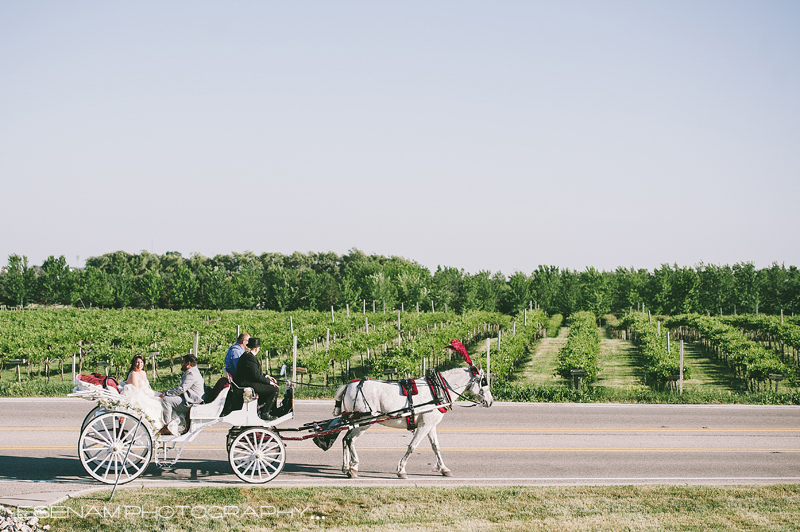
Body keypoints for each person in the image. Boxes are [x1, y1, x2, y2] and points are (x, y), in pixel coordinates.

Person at [234, 337, 292, 419]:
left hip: (248, 381)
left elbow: (255, 372)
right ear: (257, 348)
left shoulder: (248, 356)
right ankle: (265, 413)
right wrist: (269, 382)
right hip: (247, 383)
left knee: (271, 387)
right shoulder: (249, 358)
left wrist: (266, 376)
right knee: (274, 389)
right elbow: (256, 376)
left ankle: (271, 410)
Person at [159, 354, 205, 435]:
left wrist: (167, 393)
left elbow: (181, 389)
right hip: (190, 397)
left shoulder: (191, 373)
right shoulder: (194, 371)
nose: (181, 364)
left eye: (182, 362)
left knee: (166, 400)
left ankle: (168, 427)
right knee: (170, 398)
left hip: (191, 402)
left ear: (188, 364)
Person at [121, 354, 164, 429]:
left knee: (162, 398)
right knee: (156, 404)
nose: (139, 364)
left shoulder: (143, 372)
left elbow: (147, 387)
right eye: (137, 362)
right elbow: (137, 391)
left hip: (146, 392)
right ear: (134, 363)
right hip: (137, 395)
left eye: (141, 362)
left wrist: (154, 395)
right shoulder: (133, 374)